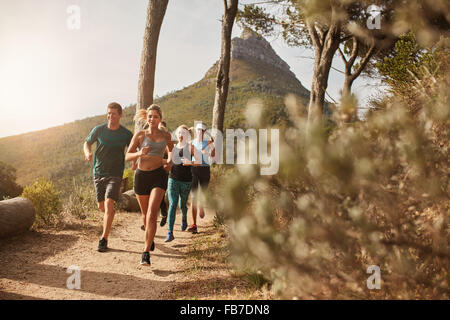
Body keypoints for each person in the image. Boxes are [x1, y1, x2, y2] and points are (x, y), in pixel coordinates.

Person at [125, 104, 173, 266]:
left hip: (158, 176)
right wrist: (139, 153)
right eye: (150, 116)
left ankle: (145, 252)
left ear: (160, 119)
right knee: (145, 215)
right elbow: (127, 156)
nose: (152, 119)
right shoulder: (139, 135)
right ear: (147, 118)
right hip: (141, 177)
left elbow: (172, 151)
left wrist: (170, 163)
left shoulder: (166, 135)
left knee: (153, 214)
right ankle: (150, 238)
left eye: (156, 117)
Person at [83, 102, 133, 252]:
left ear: (120, 115)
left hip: (115, 174)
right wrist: (87, 153)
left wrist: (136, 161)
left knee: (109, 203)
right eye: (109, 113)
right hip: (98, 172)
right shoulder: (99, 130)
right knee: (102, 207)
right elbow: (87, 143)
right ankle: (109, 218)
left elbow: (132, 150)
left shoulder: (126, 134)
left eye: (114, 114)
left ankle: (104, 238)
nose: (111, 116)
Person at [164, 125, 192, 242]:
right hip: (173, 179)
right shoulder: (173, 147)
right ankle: (170, 232)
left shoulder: (191, 147)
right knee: (173, 204)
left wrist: (190, 162)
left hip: (186, 181)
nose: (181, 135)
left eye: (184, 133)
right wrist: (165, 164)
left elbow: (200, 162)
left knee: (182, 205)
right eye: (179, 133)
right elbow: (167, 159)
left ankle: (184, 219)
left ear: (187, 135)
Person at [186, 122, 215, 234]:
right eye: (198, 130)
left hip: (205, 170)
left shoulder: (208, 142)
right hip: (193, 170)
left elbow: (213, 156)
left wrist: (211, 147)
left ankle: (201, 205)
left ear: (204, 131)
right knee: (194, 197)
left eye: (202, 130)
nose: (199, 132)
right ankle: (194, 224)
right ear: (195, 131)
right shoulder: (191, 143)